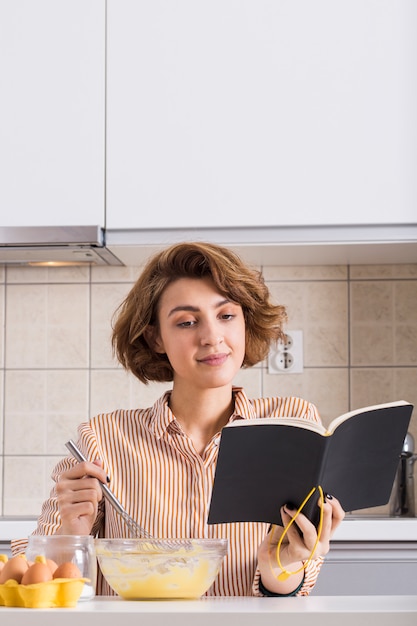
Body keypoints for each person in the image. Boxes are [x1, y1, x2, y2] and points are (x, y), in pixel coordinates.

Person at [12, 241, 345, 596]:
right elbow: (35, 579)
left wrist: (284, 562)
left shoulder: (293, 424)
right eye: (187, 322)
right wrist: (70, 531)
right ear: (156, 336)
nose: (212, 336)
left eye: (227, 315)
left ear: (245, 322)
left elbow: (285, 592)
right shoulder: (103, 438)